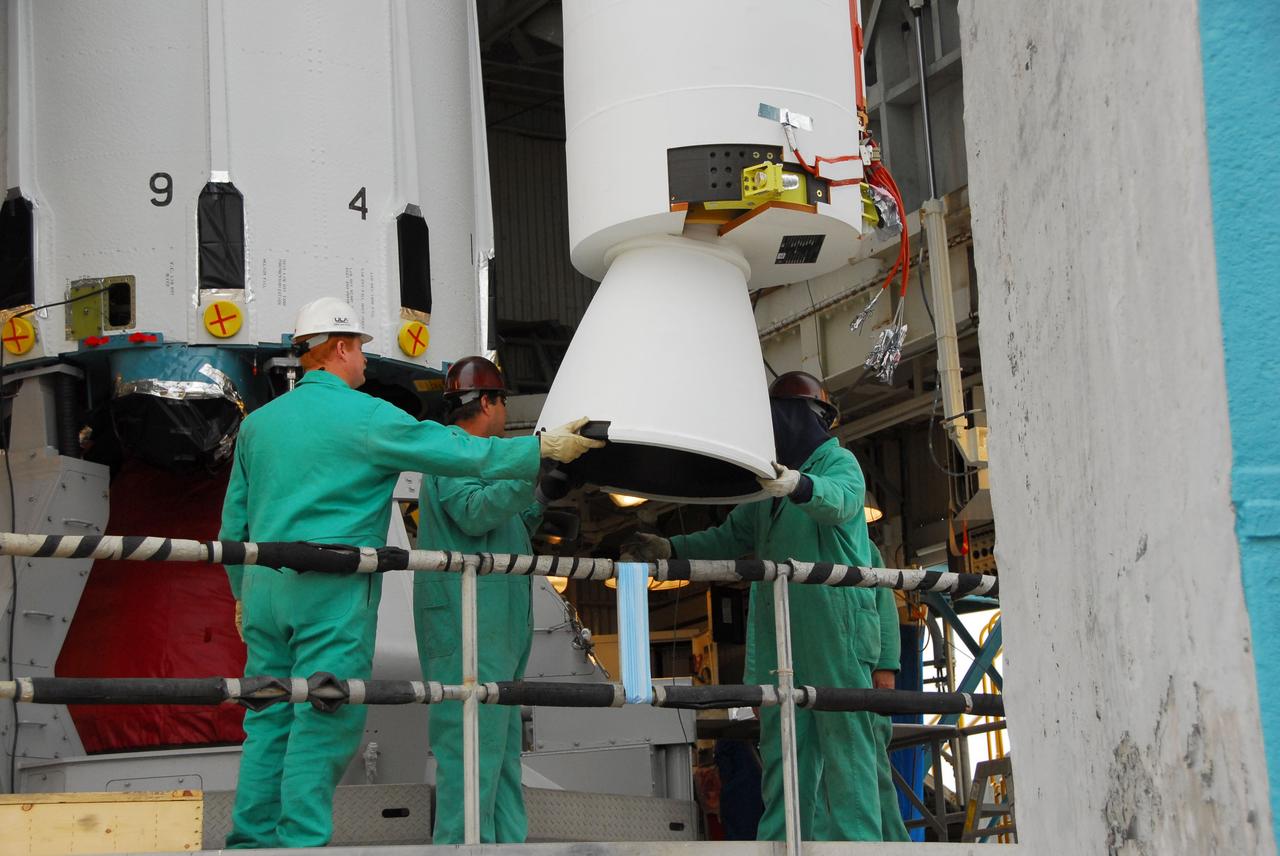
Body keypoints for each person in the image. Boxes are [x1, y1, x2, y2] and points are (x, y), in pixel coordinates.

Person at [218, 299, 602, 849]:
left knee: (267, 712)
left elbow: (234, 522)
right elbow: (453, 450)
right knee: (323, 715)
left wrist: (241, 593)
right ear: (341, 348)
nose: (365, 363)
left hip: (264, 593)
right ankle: (299, 844)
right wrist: (540, 449)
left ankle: (251, 844)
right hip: (330, 592)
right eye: (361, 351)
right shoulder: (366, 416)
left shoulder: (258, 425)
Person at [622, 371, 883, 841]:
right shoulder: (767, 491)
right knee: (784, 755)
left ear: (798, 418)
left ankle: (859, 849)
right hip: (783, 640)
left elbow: (841, 502)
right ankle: (782, 845)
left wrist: (796, 485)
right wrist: (671, 549)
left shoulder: (837, 462)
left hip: (835, 632)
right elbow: (728, 537)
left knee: (847, 755)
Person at [415, 356, 567, 844]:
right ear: (487, 402)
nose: (506, 411)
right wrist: (528, 471)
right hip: (467, 630)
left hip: (494, 628)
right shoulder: (451, 453)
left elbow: (506, 526)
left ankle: (506, 848)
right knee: (470, 755)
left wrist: (542, 495)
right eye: (502, 401)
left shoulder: (483, 459)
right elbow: (474, 512)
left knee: (499, 757)